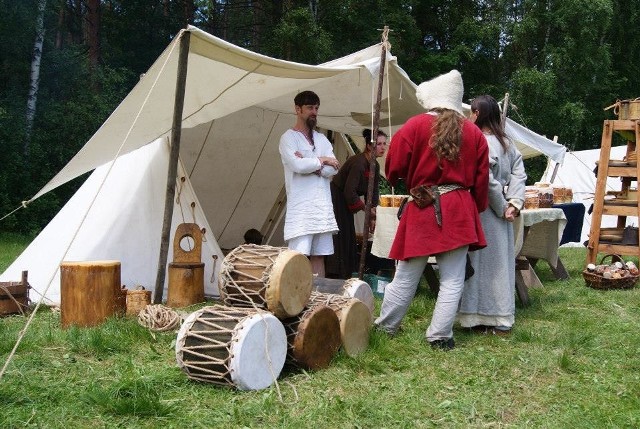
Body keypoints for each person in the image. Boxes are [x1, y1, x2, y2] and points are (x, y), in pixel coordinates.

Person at [373, 70, 489, 350]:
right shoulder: (474, 132)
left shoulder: (414, 127)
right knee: (452, 279)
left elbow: (393, 168)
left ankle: (386, 327)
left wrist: (400, 176)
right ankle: (439, 336)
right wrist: (476, 209)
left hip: (423, 206)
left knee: (406, 276)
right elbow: (482, 180)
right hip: (459, 208)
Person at [456, 95, 527, 335]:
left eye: (473, 111)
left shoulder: (481, 142)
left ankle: (478, 317)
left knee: (483, 264)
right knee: (498, 265)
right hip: (498, 211)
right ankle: (498, 317)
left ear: (479, 113)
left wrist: (503, 206)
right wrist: (513, 204)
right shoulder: (506, 141)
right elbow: (518, 175)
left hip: (484, 211)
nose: (470, 116)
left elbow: (486, 180)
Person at [279, 90, 340, 277]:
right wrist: (322, 160)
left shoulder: (322, 139)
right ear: (298, 109)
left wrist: (310, 161)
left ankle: (318, 297)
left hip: (322, 209)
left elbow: (334, 168)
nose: (314, 112)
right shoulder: (288, 138)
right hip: (302, 208)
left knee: (319, 256)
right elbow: (297, 165)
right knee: (298, 256)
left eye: (316, 108)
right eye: (309, 108)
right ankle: (293, 297)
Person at [326, 129, 387, 279]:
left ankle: (346, 272)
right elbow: (349, 191)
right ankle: (335, 273)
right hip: (336, 199)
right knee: (340, 234)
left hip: (345, 200)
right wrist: (366, 211)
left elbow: (372, 192)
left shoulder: (375, 166)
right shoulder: (358, 162)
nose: (382, 147)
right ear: (369, 146)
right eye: (378, 144)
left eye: (384, 144)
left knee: (348, 236)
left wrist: (372, 214)